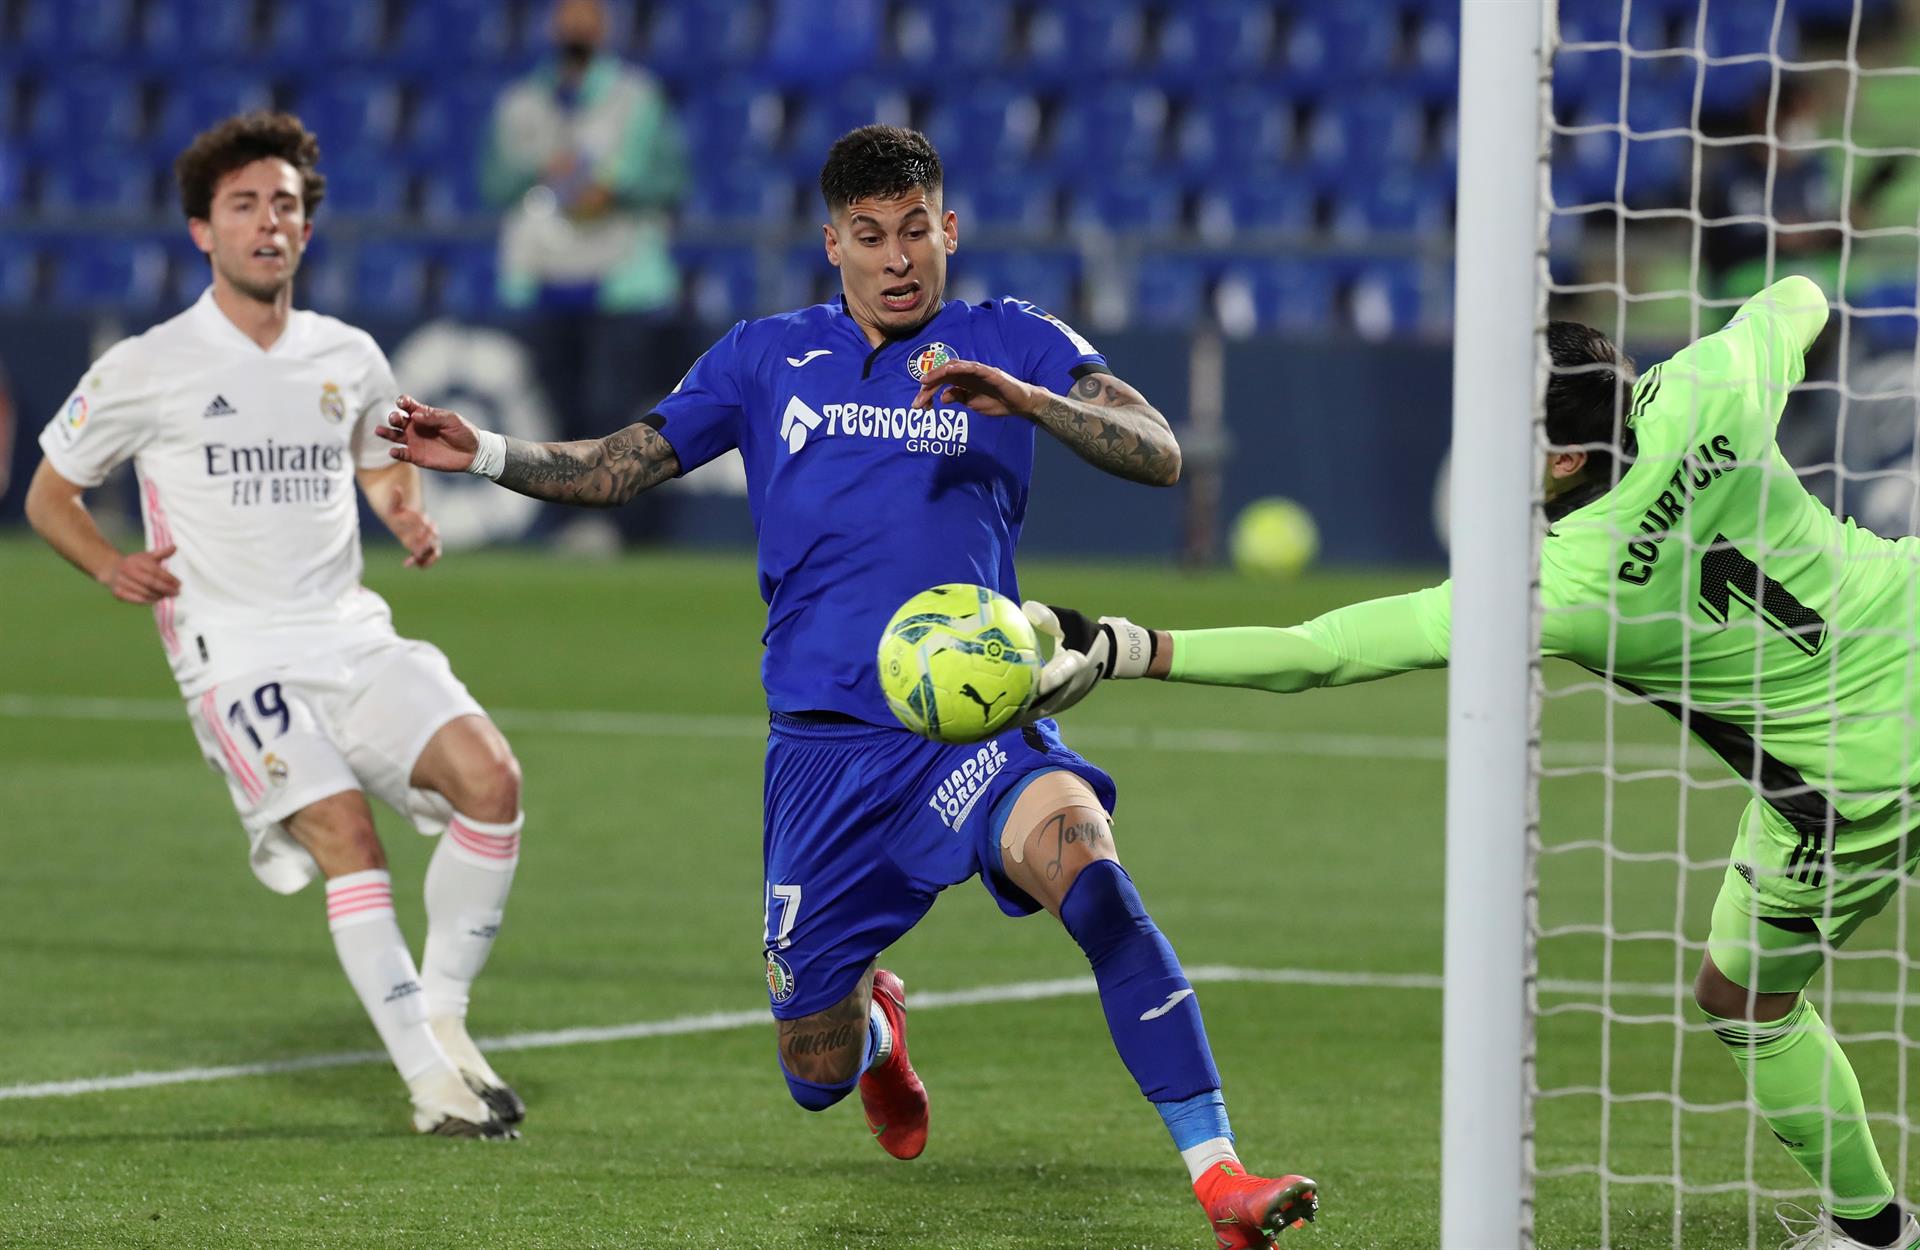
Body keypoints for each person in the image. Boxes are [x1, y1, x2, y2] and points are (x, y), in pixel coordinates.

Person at [380, 125, 1319, 1247]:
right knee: (813, 1068)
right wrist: (481, 449)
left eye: (916, 229)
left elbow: (1156, 448)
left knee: (1096, 880)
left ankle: (1221, 1177)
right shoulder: (765, 356)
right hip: (822, 756)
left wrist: (1026, 399)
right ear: (833, 243)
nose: (898, 257)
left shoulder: (1009, 336)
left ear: (949, 227)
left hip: (971, 723)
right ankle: (875, 1029)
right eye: (870, 235)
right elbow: (617, 463)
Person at [1044, 276, 1920, 1250]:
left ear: (1569, 457)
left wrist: (1133, 645)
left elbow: (1322, 651)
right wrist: (1771, 324)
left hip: (1847, 786)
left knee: (1745, 999)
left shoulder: (1561, 586)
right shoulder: (1711, 387)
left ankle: (1876, 1231)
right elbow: (1799, 296)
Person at [23, 112, 527, 1141]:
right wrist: (109, 562)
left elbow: (377, 448)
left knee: (494, 781)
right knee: (346, 832)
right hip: (235, 654)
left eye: (285, 205)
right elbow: (48, 494)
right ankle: (431, 1083)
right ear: (202, 230)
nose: (268, 223)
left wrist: (396, 504)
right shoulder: (147, 365)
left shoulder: (348, 354)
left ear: (306, 227)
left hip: (348, 631)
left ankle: (444, 1014)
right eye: (245, 206)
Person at [483, 0, 690, 550]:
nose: (575, 28)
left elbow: (669, 179)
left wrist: (614, 189)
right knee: (556, 409)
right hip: (539, 277)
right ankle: (568, 521)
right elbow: (495, 181)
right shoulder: (521, 101)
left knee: (613, 408)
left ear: (607, 27)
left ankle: (618, 524)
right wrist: (539, 171)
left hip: (620, 279)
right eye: (567, 16)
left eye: (588, 17)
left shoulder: (636, 97)